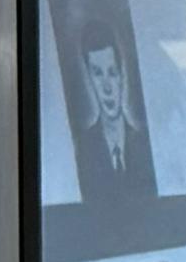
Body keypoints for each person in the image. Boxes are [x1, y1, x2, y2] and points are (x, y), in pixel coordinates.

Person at [66, 20, 155, 211]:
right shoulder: (83, 150)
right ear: (89, 78)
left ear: (122, 76)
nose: (107, 88)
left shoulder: (146, 145)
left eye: (112, 72)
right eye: (98, 74)